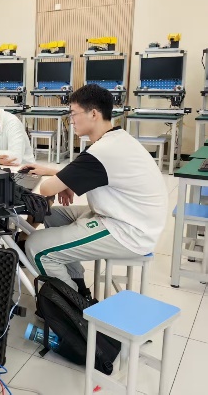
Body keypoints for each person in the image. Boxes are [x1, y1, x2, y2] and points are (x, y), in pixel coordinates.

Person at [21, 84, 168, 297]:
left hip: (128, 230)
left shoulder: (102, 151)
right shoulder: (117, 139)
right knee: (51, 214)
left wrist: (60, 181)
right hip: (127, 215)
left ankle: (72, 308)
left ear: (93, 114)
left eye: (73, 114)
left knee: (36, 247)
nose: (71, 120)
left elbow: (46, 188)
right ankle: (77, 282)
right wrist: (59, 177)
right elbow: (91, 173)